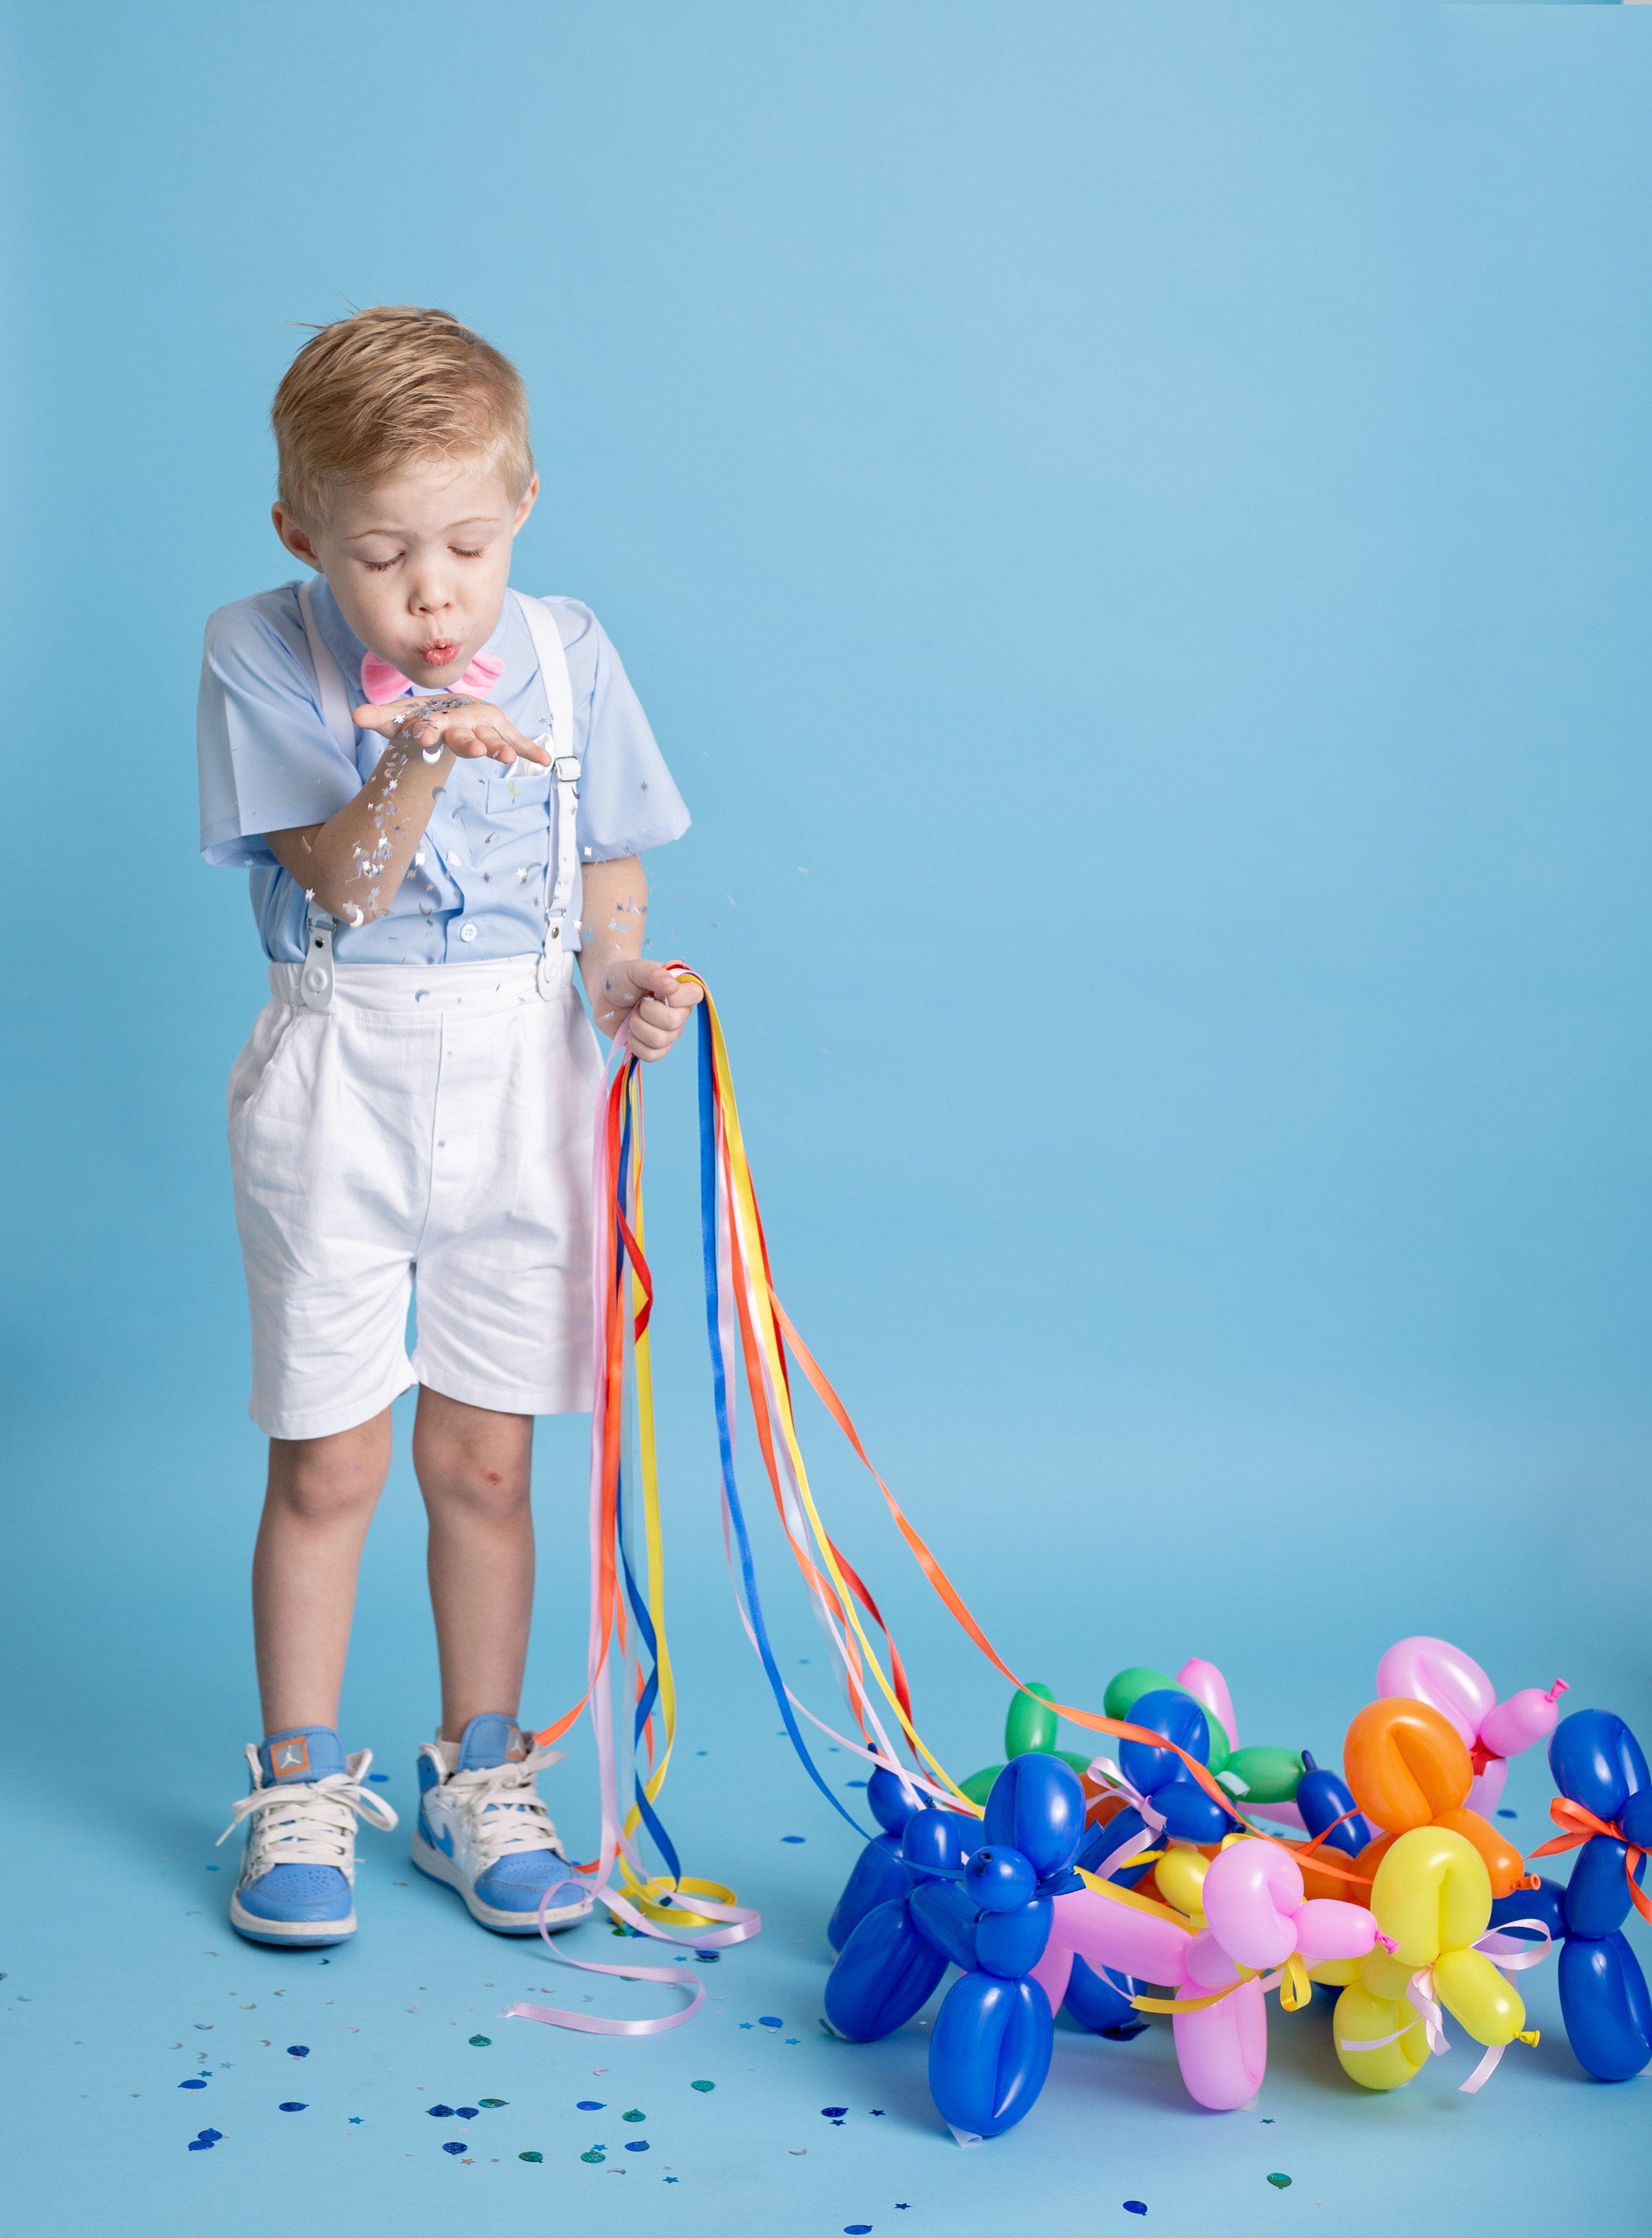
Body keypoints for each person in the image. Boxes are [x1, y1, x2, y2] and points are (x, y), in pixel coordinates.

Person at [197, 305, 700, 1947]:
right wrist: (413, 753)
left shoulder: (568, 647)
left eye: (468, 546)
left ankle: (479, 1772)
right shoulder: (258, 645)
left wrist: (620, 977)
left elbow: (608, 855)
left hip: (521, 1079)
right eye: (384, 554)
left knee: (486, 1459)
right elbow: (334, 876)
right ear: (302, 535)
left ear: (525, 504)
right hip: (341, 1073)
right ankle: (297, 1775)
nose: (431, 593)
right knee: (330, 1455)